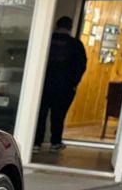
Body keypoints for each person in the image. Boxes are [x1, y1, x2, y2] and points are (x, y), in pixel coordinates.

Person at [35, 16, 88, 152]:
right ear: (70, 28)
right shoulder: (76, 45)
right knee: (59, 115)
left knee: (40, 114)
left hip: (43, 84)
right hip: (64, 87)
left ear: (57, 26)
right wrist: (74, 83)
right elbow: (81, 65)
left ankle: (36, 142)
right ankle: (55, 143)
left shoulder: (46, 41)